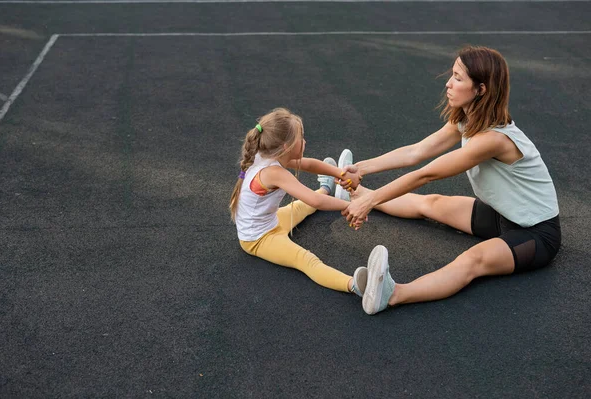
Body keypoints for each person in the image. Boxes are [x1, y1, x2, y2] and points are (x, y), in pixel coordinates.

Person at [338, 46, 561, 315]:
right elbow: (416, 152)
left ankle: (392, 294)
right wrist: (361, 169)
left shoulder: (493, 140)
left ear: (481, 89)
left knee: (472, 260)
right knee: (431, 203)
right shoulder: (468, 120)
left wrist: (373, 202)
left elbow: (426, 173)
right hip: (501, 215)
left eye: (457, 77)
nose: (448, 83)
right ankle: (356, 194)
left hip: (536, 234)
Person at [229, 107, 367, 296]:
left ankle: (327, 188)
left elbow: (309, 164)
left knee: (300, 206)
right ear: (286, 146)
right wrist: (353, 206)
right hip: (258, 239)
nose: (305, 141)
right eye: (301, 138)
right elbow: (315, 201)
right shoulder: (273, 172)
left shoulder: (269, 154)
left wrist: (340, 173)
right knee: (306, 260)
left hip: (271, 220)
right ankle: (355, 286)